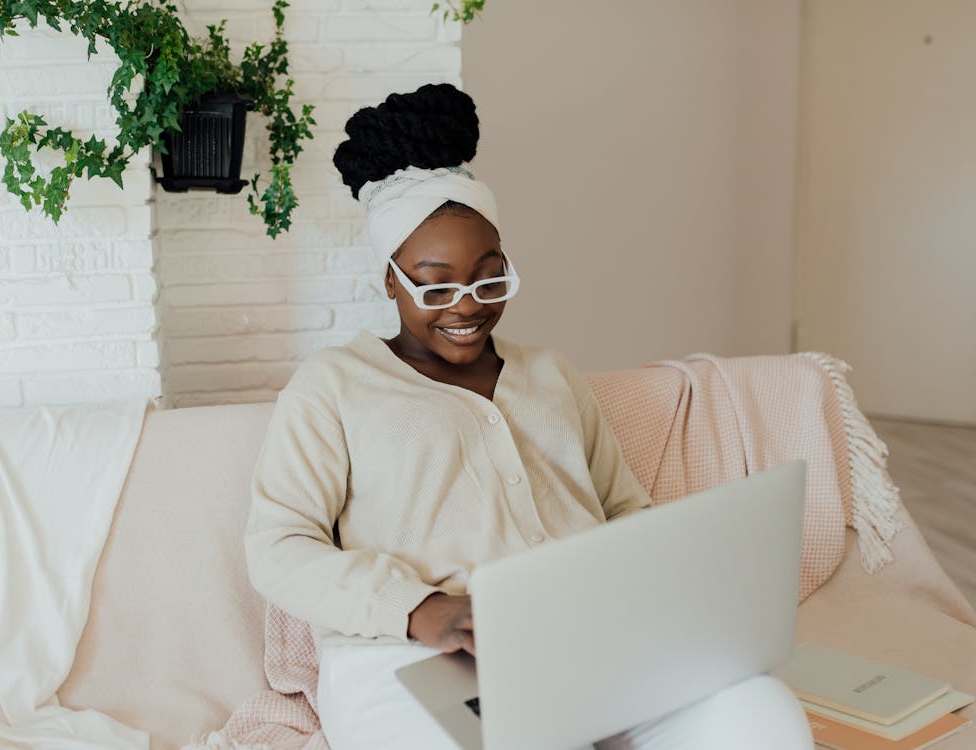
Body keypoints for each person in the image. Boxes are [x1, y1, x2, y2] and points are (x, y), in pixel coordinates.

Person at [244, 83, 812, 750]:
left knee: (759, 709)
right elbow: (279, 547)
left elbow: (626, 512)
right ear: (390, 280)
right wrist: (422, 609)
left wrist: (669, 603)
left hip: (589, 640)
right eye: (436, 283)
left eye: (489, 279)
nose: (467, 306)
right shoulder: (332, 386)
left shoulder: (551, 374)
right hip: (405, 658)